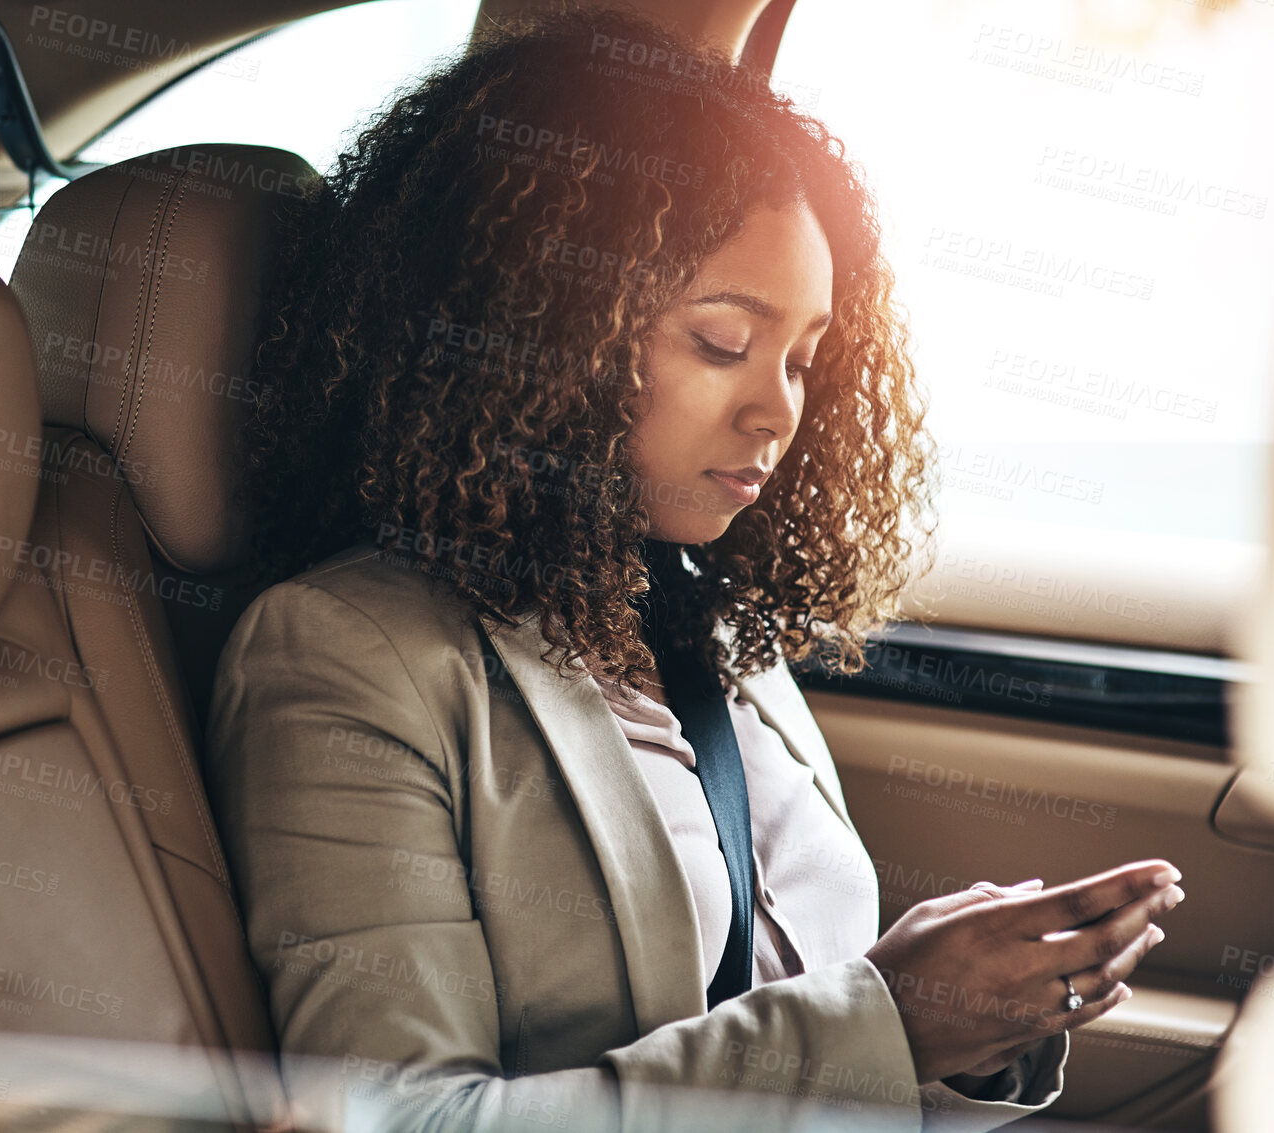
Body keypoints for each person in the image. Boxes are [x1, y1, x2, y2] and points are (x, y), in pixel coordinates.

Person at [208, 9, 1183, 1130]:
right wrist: (891, 1017)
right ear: (536, 330)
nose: (778, 409)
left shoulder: (702, 617)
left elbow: (796, 1034)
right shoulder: (342, 655)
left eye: (806, 358)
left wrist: (977, 1025)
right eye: (722, 343)